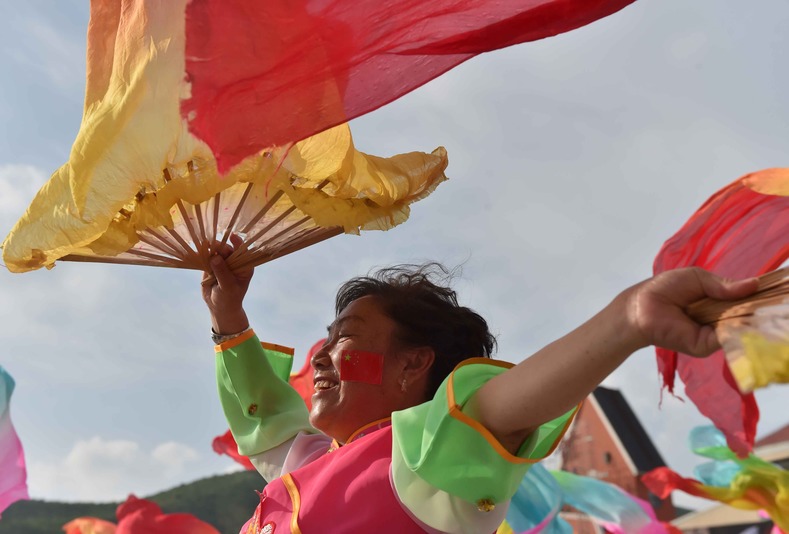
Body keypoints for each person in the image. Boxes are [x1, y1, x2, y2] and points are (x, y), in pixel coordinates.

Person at [202, 237, 758, 534]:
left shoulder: (421, 467)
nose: (320, 353)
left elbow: (500, 407)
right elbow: (264, 419)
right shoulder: (309, 463)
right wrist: (227, 313)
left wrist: (627, 322)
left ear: (412, 363)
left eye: (345, 336)